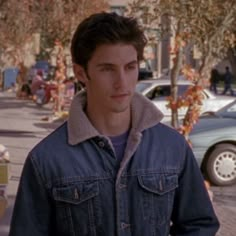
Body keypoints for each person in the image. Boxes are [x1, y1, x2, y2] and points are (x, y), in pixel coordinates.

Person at [9, 12, 219, 236]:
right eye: (107, 69)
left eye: (130, 67)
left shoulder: (172, 147)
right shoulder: (46, 160)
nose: (122, 82)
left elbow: (199, 224)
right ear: (81, 72)